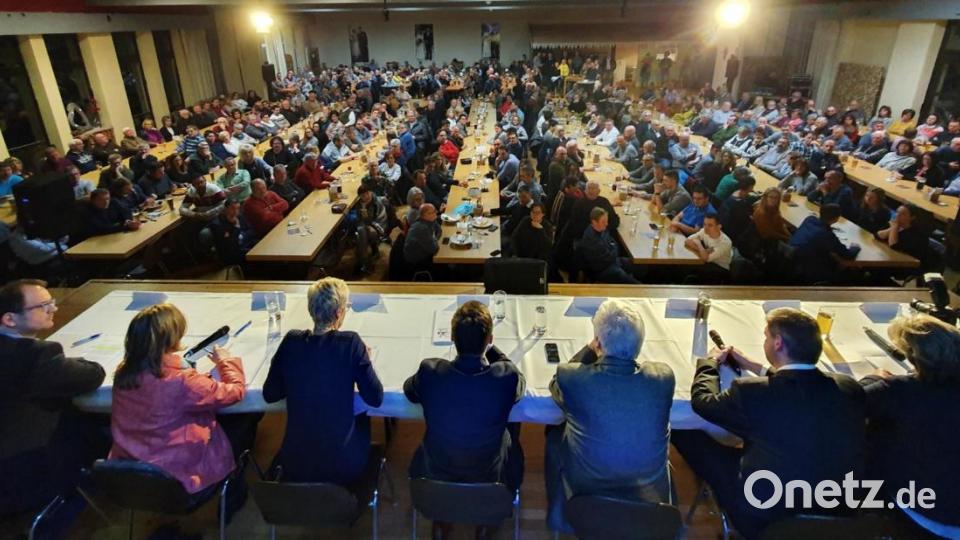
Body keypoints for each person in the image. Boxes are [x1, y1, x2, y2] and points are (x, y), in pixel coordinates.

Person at [672, 307, 866, 539]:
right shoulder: (848, 387)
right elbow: (798, 386)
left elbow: (703, 402)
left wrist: (709, 362)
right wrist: (756, 367)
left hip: (762, 513)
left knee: (684, 431)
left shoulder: (752, 393)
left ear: (778, 344)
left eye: (766, 337)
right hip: (837, 510)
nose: (764, 341)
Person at [544, 298, 674, 533]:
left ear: (599, 343)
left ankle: (556, 510)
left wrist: (589, 351)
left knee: (553, 434)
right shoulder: (663, 378)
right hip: (649, 494)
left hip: (587, 491)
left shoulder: (573, 378)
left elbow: (556, 386)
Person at [404, 300, 524, 539]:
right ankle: (486, 521)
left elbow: (410, 390)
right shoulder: (505, 377)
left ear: (452, 336)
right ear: (489, 339)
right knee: (512, 430)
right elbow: (518, 383)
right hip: (489, 475)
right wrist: (494, 351)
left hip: (435, 471)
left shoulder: (430, 372)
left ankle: (443, 518)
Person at [109, 303, 249, 501]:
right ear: (172, 337)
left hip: (132, 475)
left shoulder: (123, 372)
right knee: (247, 420)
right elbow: (236, 391)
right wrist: (226, 361)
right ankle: (235, 492)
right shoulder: (182, 381)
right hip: (181, 478)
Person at [0, 279, 106, 514]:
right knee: (101, 421)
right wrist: (73, 362)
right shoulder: (37, 356)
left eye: (52, 302)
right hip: (26, 470)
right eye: (43, 306)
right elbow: (94, 375)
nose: (54, 309)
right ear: (9, 319)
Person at [264, 278, 383, 484]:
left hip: (295, 462)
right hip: (342, 466)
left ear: (311, 309)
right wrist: (362, 359)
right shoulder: (351, 343)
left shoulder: (292, 341)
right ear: (339, 313)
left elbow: (270, 393)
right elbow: (375, 398)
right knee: (363, 418)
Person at [860, 314, 960, 538]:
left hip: (925, 513)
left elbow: (846, 403)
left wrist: (871, 379)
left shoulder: (897, 391)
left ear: (914, 357)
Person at [789, 204, 861, 283]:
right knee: (849, 275)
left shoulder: (809, 219)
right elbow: (847, 255)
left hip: (793, 261)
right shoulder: (826, 235)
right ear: (836, 219)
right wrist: (855, 247)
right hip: (811, 268)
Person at [578, 207, 640, 284]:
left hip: (613, 261)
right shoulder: (592, 239)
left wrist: (612, 249)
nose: (607, 224)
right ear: (594, 222)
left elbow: (613, 242)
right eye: (603, 222)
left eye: (606, 221)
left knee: (638, 265)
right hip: (602, 270)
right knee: (631, 282)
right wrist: (613, 249)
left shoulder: (602, 229)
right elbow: (607, 257)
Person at [685, 213, 733, 281]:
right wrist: (705, 251)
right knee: (686, 267)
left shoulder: (724, 242)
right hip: (708, 263)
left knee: (690, 269)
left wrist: (699, 244)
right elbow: (687, 241)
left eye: (710, 225)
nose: (706, 228)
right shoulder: (704, 231)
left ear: (719, 226)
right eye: (704, 224)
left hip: (721, 269)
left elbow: (706, 258)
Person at [354, 185, 386, 274]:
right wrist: (363, 209)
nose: (364, 197)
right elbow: (359, 218)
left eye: (366, 194)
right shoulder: (360, 203)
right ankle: (366, 260)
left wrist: (364, 209)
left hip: (379, 224)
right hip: (367, 225)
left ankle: (363, 261)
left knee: (362, 234)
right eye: (362, 196)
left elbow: (374, 219)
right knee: (361, 231)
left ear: (369, 193)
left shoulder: (376, 203)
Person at [403, 202, 441, 269]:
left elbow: (439, 230)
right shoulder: (421, 228)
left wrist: (433, 238)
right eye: (433, 212)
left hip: (426, 251)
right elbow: (434, 249)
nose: (436, 212)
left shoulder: (431, 220)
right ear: (424, 215)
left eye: (435, 210)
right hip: (417, 261)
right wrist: (434, 239)